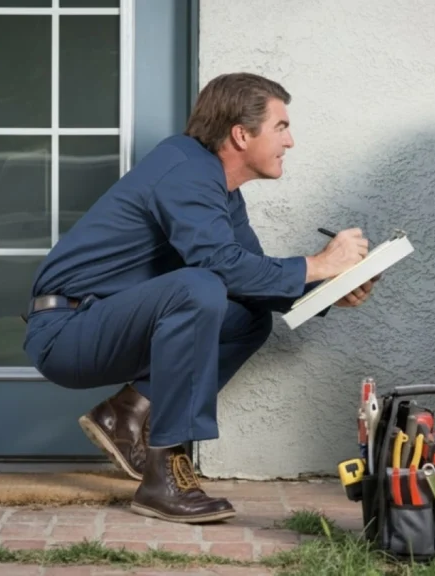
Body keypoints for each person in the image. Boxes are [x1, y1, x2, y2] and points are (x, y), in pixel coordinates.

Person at [23, 72, 379, 524]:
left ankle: (126, 415)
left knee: (249, 317)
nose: (290, 142)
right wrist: (320, 262)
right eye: (281, 127)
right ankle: (163, 475)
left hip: (102, 321)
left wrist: (329, 290)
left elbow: (251, 277)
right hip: (66, 332)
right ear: (241, 134)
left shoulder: (220, 191)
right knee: (201, 285)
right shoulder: (185, 168)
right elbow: (220, 266)